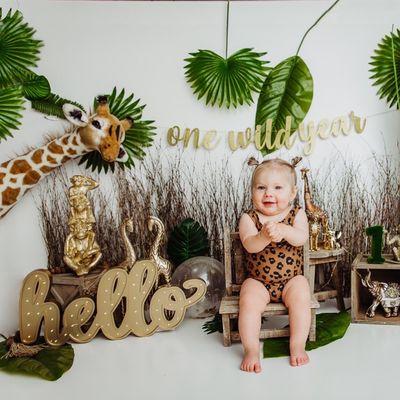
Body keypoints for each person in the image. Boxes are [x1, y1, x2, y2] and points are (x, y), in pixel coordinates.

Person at [238, 157, 310, 373]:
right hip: (259, 282)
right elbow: (250, 245)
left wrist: (284, 231)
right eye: (261, 187)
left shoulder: (297, 214)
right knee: (248, 300)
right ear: (252, 191)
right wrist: (263, 236)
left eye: (278, 187)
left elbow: (301, 238)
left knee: (301, 293)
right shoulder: (248, 218)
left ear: (292, 193)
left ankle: (297, 345)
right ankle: (251, 349)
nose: (269, 193)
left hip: (290, 280)